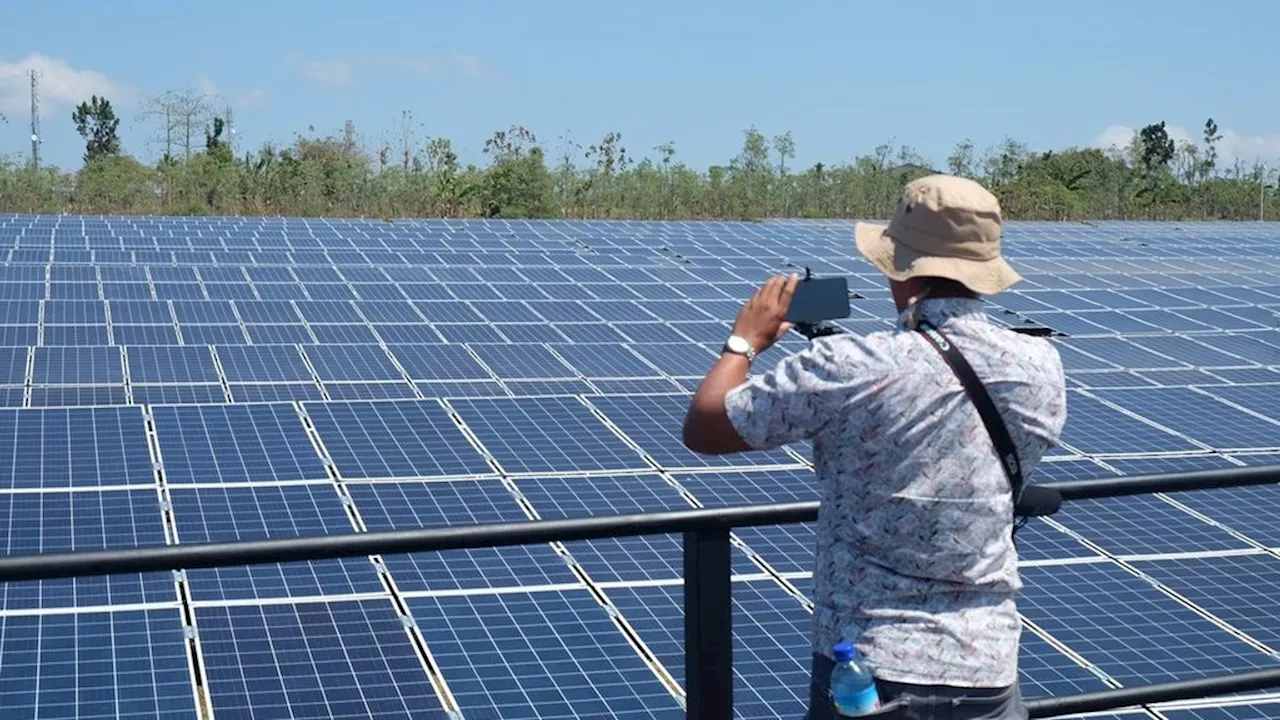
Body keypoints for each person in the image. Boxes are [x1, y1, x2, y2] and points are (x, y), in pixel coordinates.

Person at [681, 174, 1067, 720]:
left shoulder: (850, 367)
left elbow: (705, 426)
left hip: (870, 674)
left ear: (899, 268)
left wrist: (745, 340)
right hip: (986, 665)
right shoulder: (1041, 365)